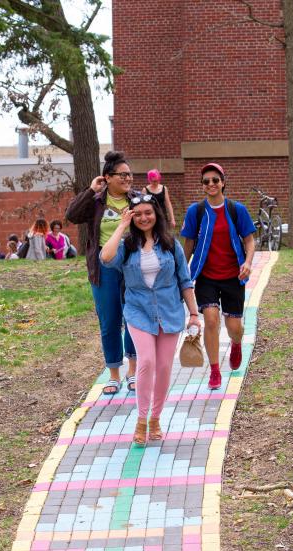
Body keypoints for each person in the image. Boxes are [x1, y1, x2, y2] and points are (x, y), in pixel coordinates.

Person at [100, 196, 198, 444]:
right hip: (138, 311)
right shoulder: (127, 246)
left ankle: (155, 418)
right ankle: (141, 420)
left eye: (149, 212)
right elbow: (105, 257)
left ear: (157, 215)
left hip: (169, 311)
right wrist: (121, 226)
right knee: (146, 362)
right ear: (133, 216)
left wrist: (194, 314)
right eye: (139, 213)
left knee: (164, 366)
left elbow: (185, 281)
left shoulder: (170, 245)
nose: (144, 217)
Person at [65, 150, 138, 395]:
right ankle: (114, 374)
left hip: (132, 265)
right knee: (109, 321)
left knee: (133, 319)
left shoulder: (137, 200)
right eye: (122, 175)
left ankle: (133, 371)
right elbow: (71, 215)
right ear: (107, 177)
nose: (128, 179)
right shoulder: (96, 202)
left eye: (130, 175)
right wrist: (89, 190)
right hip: (103, 266)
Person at [180, 162, 256, 390]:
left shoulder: (236, 209)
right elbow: (189, 243)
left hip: (233, 275)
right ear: (202, 186)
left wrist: (248, 262)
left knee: (234, 326)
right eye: (206, 181)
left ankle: (236, 343)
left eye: (215, 180)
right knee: (211, 319)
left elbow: (250, 240)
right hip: (206, 276)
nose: (211, 184)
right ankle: (214, 371)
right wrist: (182, 271)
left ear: (223, 182)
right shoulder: (197, 211)